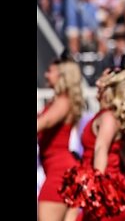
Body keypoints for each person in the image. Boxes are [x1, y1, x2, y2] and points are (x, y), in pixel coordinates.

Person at [65, 59, 125, 221]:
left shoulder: (108, 117)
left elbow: (100, 150)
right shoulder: (107, 115)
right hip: (107, 190)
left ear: (108, 88)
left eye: (101, 79)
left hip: (109, 196)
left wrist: (96, 191)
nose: (96, 82)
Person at [37, 51, 84, 221]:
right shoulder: (59, 100)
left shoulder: (63, 101)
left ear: (62, 75)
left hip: (60, 173)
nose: (45, 75)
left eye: (49, 71)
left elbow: (44, 123)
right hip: (60, 171)